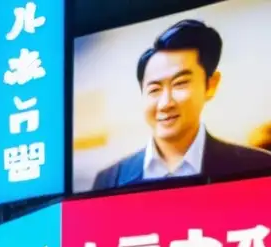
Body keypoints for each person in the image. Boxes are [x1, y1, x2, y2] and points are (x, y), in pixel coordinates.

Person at [92, 19, 271, 190]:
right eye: (154, 89)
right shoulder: (109, 180)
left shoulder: (258, 165)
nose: (165, 103)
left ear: (210, 85)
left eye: (180, 83)